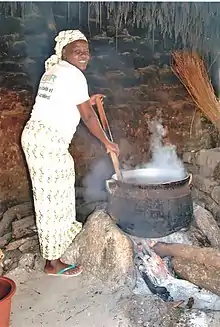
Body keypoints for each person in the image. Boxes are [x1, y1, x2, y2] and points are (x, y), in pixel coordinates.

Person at [21, 30, 119, 277]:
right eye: (78, 51)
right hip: (47, 141)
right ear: (64, 51)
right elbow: (87, 115)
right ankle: (52, 263)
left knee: (56, 192)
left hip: (38, 137)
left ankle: (60, 244)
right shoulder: (73, 74)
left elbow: (70, 101)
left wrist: (89, 99)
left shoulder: (55, 70)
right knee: (52, 199)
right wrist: (107, 142)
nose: (84, 56)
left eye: (86, 52)